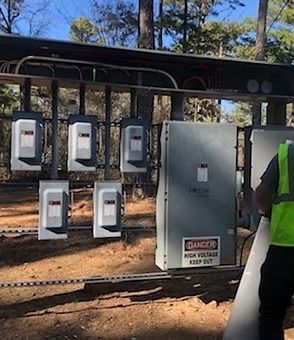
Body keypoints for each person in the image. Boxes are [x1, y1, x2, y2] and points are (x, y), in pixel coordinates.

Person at [255, 141, 294, 340]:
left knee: (271, 315)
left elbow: (261, 195)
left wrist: (270, 213)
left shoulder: (286, 154)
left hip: (284, 250)